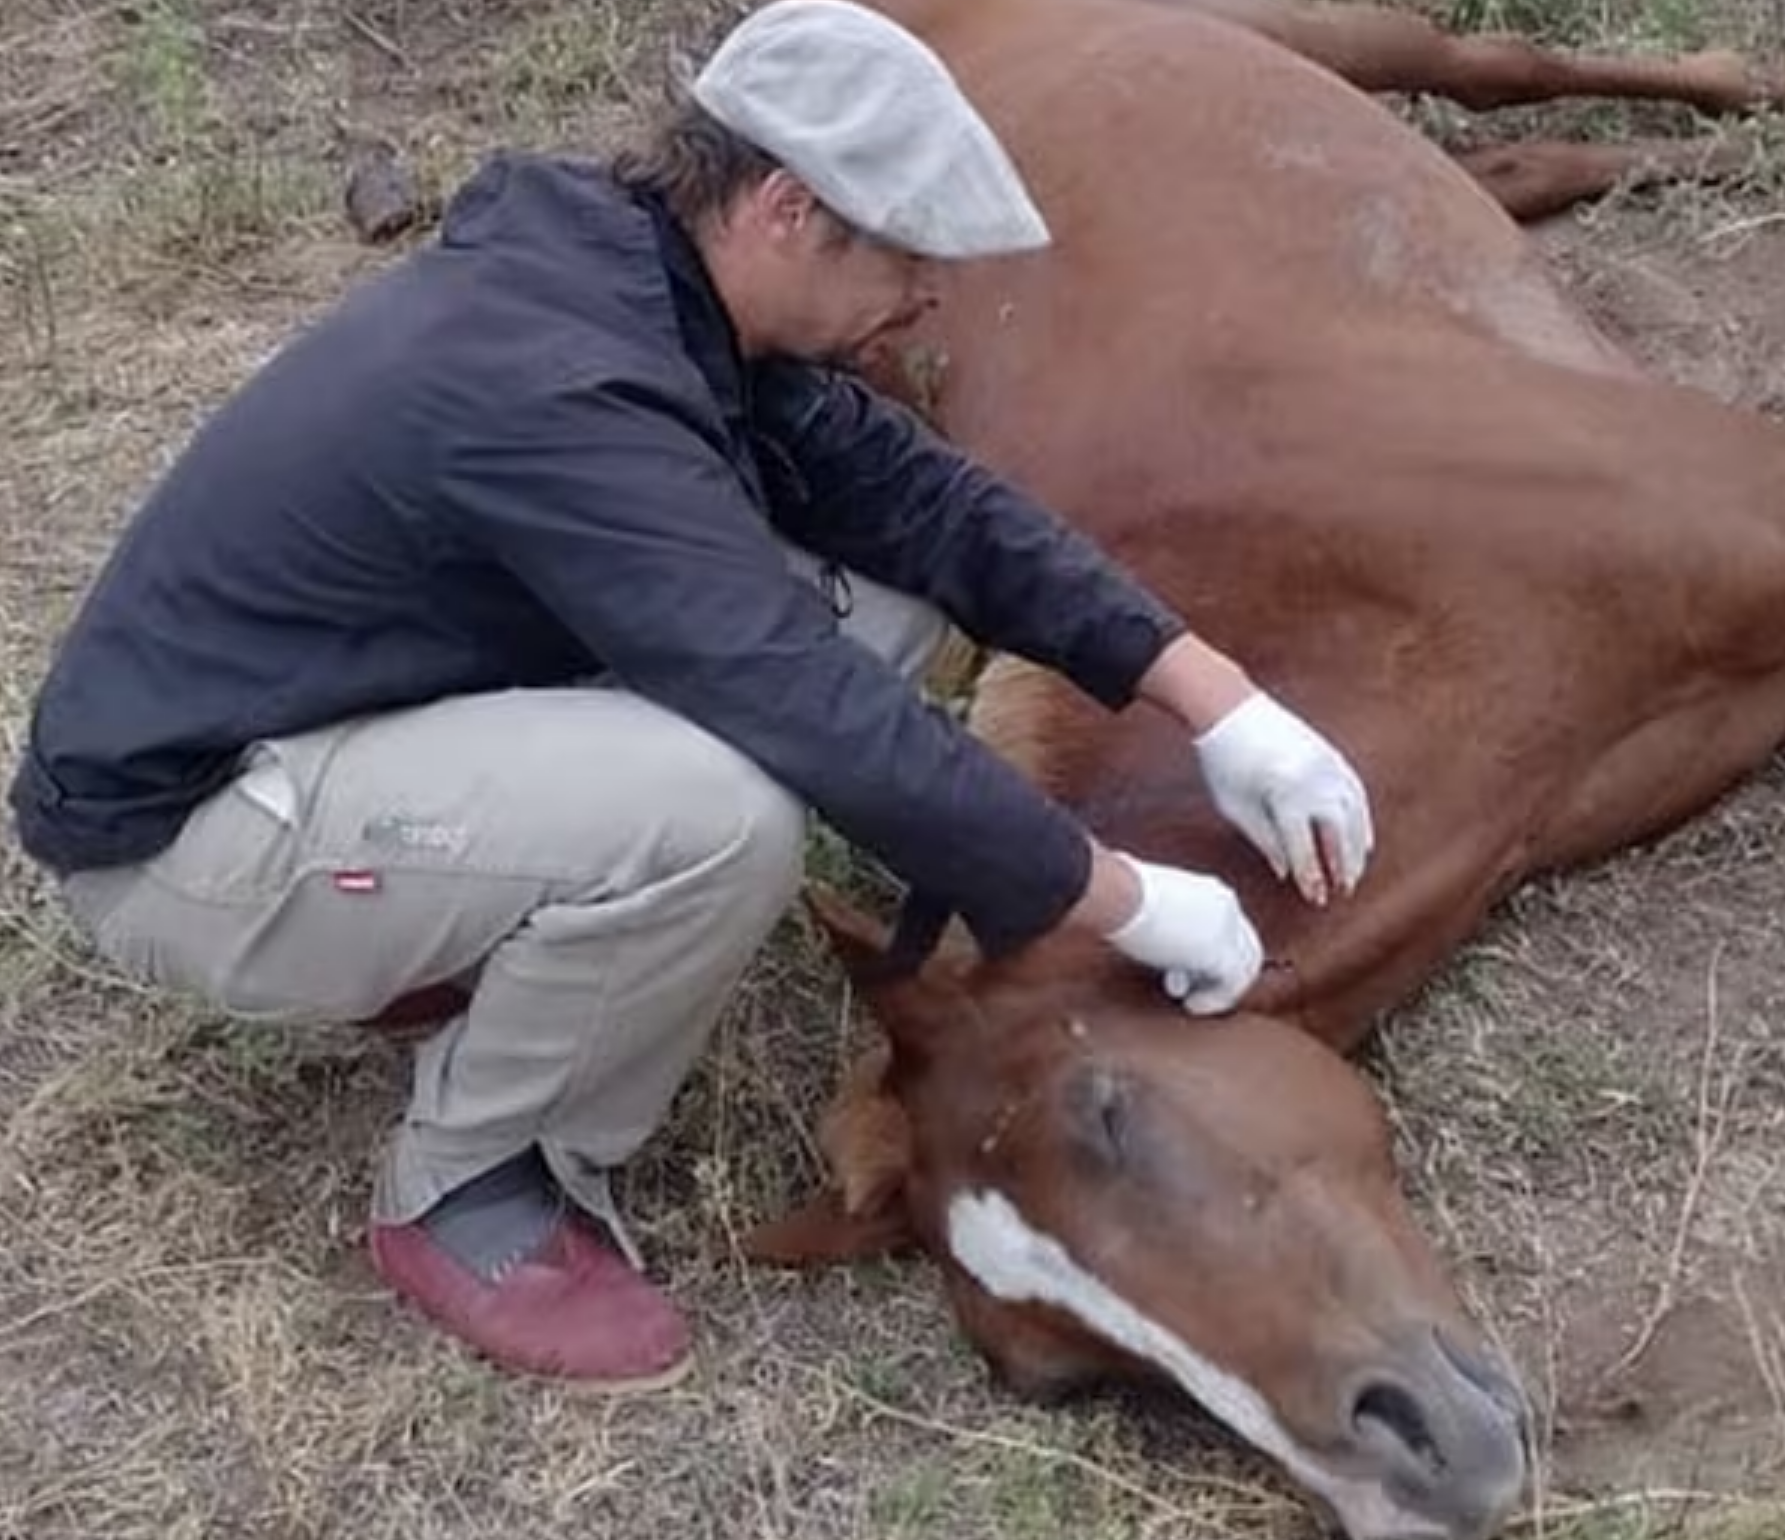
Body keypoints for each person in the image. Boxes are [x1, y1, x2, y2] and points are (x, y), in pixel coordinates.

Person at [4, 0, 1375, 1394]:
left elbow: (926, 509)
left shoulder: (652, 282)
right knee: (722, 813)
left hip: (337, 727)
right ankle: (474, 1181)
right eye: (905, 254)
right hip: (195, 843)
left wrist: (1220, 702)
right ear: (788, 210)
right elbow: (790, 693)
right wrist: (1124, 900)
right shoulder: (558, 382)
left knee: (887, 597)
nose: (925, 299)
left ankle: (493, 925)